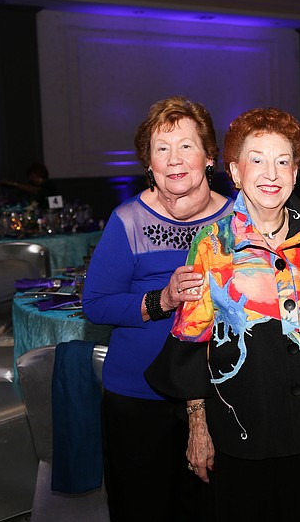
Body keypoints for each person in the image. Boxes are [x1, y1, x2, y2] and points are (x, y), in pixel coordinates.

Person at [144, 107, 300, 520]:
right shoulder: (213, 245)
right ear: (236, 172)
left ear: (296, 173)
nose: (271, 173)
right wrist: (197, 424)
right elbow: (191, 340)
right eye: (257, 160)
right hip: (245, 431)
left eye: (282, 161)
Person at [82, 96, 233, 520]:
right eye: (161, 148)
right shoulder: (127, 220)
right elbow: (95, 304)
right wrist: (161, 300)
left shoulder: (235, 220)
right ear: (148, 162)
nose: (174, 159)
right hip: (138, 397)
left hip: (221, 393)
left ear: (209, 156)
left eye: (186, 145)